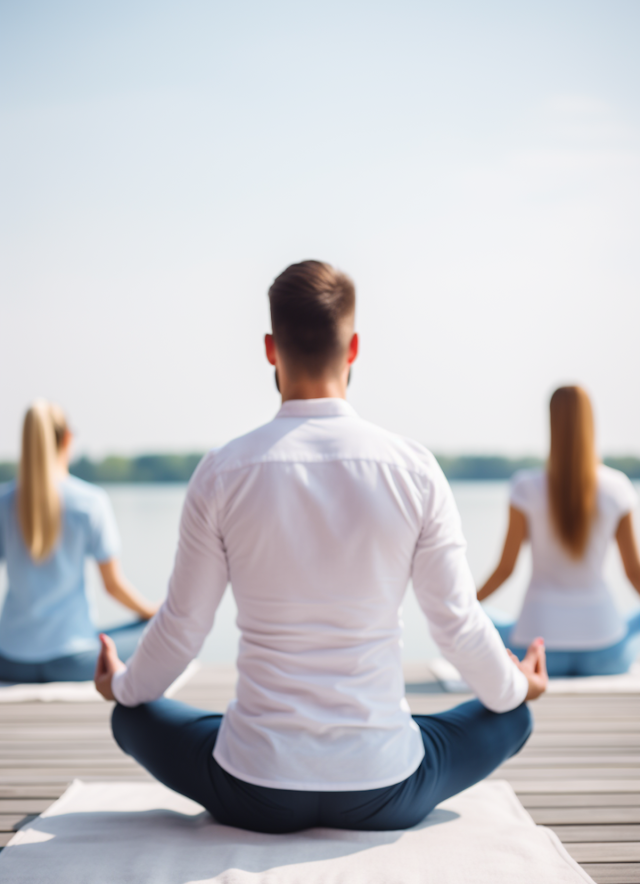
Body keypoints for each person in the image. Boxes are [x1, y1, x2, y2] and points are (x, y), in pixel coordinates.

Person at [96, 261, 546, 835]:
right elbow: (456, 625)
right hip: (386, 788)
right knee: (513, 717)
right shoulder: (415, 470)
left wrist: (122, 684)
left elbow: (185, 627)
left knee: (133, 718)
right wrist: (518, 686)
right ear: (354, 347)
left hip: (252, 790)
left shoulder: (222, 471)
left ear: (269, 348)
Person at [478, 386, 640, 676]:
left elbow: (505, 570)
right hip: (604, 650)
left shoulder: (525, 487)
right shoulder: (618, 488)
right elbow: (634, 574)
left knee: (478, 616)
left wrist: (466, 604)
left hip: (537, 650)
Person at [0, 401, 157, 682]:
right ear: (67, 438)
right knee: (159, 628)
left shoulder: (3, 502)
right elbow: (112, 586)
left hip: (9, 661)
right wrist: (152, 612)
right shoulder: (89, 503)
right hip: (74, 661)